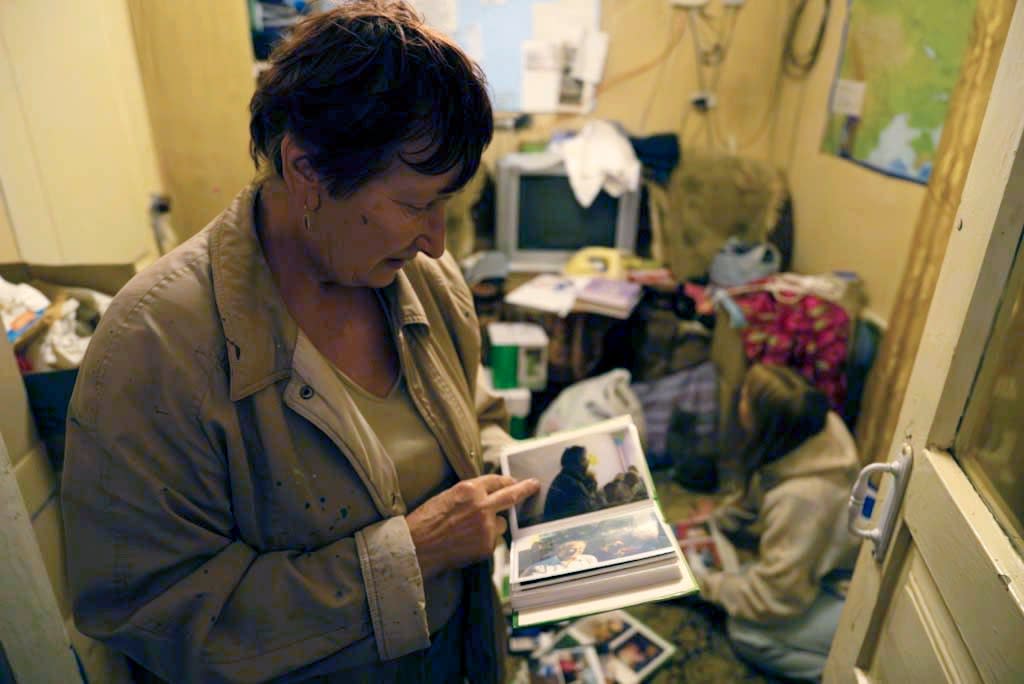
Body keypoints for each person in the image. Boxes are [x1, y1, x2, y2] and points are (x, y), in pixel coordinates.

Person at [60, 3, 540, 682]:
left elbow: (477, 414)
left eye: (446, 205)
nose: (436, 240)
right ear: (307, 170)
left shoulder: (425, 279)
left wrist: (518, 488)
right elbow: (153, 611)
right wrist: (410, 555)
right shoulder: (156, 344)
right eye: (413, 205)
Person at [689, 363, 859, 682]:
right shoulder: (818, 426)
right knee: (739, 578)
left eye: (745, 399)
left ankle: (842, 672)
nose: (739, 400)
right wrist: (716, 520)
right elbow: (760, 486)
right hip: (834, 565)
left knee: (746, 633)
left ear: (764, 425)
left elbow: (777, 599)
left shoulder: (799, 501)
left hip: (845, 591)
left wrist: (705, 586)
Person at [543, 445, 602, 522]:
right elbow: (589, 512)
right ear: (576, 464)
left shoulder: (565, 478)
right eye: (584, 459)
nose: (588, 462)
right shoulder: (570, 484)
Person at [521, 540, 599, 579]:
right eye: (572, 548)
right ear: (561, 549)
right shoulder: (540, 567)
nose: (578, 551)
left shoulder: (590, 559)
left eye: (581, 548)